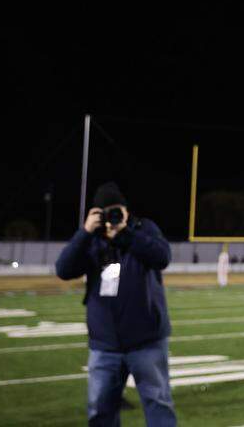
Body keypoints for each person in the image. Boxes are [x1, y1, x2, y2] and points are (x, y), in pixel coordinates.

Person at [55, 181, 175, 427]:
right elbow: (64, 270)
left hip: (146, 341)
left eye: (117, 210)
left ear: (126, 210)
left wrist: (126, 234)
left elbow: (162, 257)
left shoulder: (143, 229)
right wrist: (85, 232)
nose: (112, 216)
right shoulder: (91, 240)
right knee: (100, 410)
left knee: (158, 405)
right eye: (106, 212)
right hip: (105, 344)